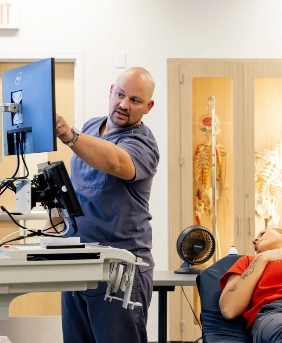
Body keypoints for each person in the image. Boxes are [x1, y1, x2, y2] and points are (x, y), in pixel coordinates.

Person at [48, 67, 159, 343]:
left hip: (119, 270)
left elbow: (115, 162)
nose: (123, 104)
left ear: (148, 106)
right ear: (111, 91)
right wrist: (59, 213)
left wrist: (69, 136)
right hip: (78, 262)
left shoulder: (142, 143)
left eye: (135, 100)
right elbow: (80, 182)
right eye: (120, 95)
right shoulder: (90, 127)